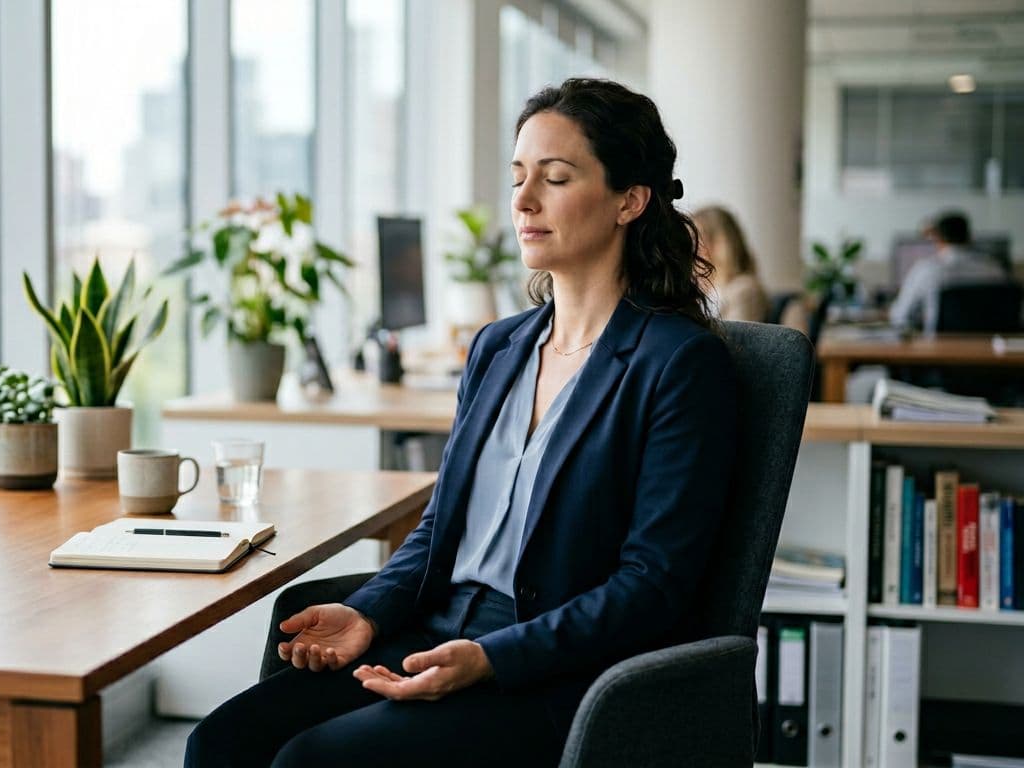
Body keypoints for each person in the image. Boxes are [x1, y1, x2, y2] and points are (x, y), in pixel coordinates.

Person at [185, 78, 738, 768]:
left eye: (556, 177)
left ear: (630, 200)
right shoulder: (498, 347)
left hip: (548, 668)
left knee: (314, 761)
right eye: (518, 177)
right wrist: (370, 611)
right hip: (431, 630)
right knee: (219, 743)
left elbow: (653, 586)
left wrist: (490, 658)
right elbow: (438, 525)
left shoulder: (679, 363)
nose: (524, 200)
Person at [889, 211, 1007, 331]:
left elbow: (900, 315)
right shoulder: (994, 269)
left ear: (938, 238)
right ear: (969, 237)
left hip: (939, 347)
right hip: (986, 347)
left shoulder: (927, 269)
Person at [693, 205, 769, 322]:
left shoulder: (745, 290)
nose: (695, 248)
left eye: (700, 239)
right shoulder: (701, 289)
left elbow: (737, 338)